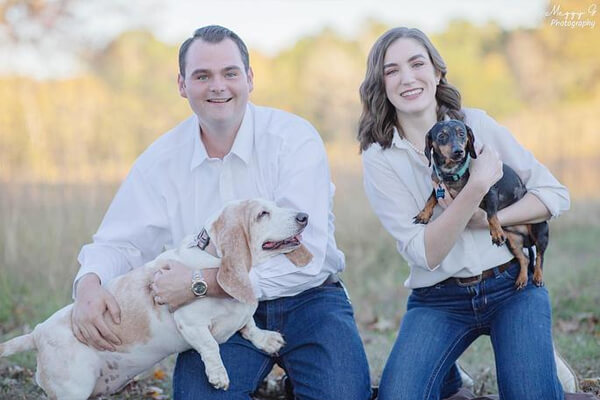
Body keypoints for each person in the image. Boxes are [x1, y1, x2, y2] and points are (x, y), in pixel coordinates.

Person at [70, 25, 372, 400]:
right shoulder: (160, 161)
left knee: (342, 394)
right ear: (182, 85)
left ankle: (293, 380)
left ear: (249, 78)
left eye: (230, 73)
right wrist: (88, 285)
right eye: (202, 76)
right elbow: (121, 242)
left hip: (308, 298)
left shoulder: (293, 139)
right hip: (214, 314)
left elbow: (308, 257)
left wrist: (200, 281)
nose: (218, 86)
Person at [359, 27, 571, 400]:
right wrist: (475, 188)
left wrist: (490, 219)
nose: (407, 78)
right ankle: (448, 374)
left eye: (416, 63)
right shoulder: (380, 158)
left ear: (437, 72)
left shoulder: (478, 124)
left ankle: (533, 355)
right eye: (392, 70)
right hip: (438, 297)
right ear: (381, 83)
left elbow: (554, 194)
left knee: (529, 393)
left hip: (511, 286)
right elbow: (427, 253)